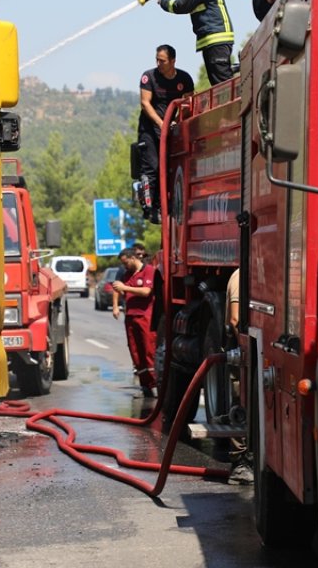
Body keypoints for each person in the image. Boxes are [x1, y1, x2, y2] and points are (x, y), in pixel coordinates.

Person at [156, 0, 236, 85]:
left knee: (223, 85)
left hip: (216, 37)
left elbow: (181, 5)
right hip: (213, 38)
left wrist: (162, 2)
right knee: (218, 84)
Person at [136, 45, 194, 223]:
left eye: (162, 60)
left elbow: (188, 103)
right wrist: (162, 123)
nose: (159, 63)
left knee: (170, 167)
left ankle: (168, 205)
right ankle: (151, 208)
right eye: (157, 60)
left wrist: (176, 121)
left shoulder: (184, 79)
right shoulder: (149, 77)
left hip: (171, 129)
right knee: (152, 167)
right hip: (150, 129)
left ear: (173, 61)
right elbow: (145, 103)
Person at [112, 246, 158, 398]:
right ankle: (144, 384)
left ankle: (155, 384)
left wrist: (125, 287)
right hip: (130, 317)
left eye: (126, 263)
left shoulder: (149, 270)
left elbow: (146, 291)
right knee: (135, 351)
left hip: (145, 316)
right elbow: (117, 288)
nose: (125, 266)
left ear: (133, 258)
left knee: (148, 350)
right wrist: (115, 306)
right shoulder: (127, 274)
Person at [223, 268, 253, 484]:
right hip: (242, 350)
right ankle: (239, 464)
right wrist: (247, 355)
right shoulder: (241, 276)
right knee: (241, 404)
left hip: (248, 349)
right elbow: (235, 319)